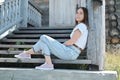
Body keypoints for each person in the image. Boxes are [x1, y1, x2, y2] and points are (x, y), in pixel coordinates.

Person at [14, 7, 88, 70]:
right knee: (42, 43)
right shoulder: (81, 26)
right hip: (71, 52)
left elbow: (72, 41)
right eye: (77, 13)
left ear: (85, 16)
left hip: (71, 52)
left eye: (81, 13)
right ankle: (45, 63)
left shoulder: (81, 26)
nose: (78, 15)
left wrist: (61, 45)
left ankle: (28, 53)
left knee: (43, 37)